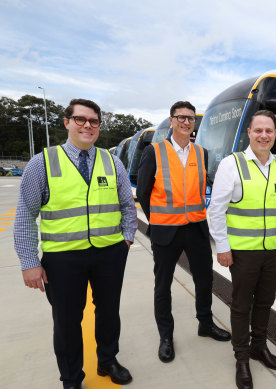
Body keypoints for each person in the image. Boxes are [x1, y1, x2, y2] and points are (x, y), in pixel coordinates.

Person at [14, 98, 137, 389]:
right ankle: (71, 377)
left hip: (109, 253)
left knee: (109, 313)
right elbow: (25, 215)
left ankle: (108, 361)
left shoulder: (111, 161)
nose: (87, 125)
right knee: (67, 322)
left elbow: (127, 205)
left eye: (93, 121)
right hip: (63, 258)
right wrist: (29, 262)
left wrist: (127, 238)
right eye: (80, 119)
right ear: (66, 122)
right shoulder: (42, 162)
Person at [136, 101, 230, 364]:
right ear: (172, 120)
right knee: (163, 285)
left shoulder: (202, 153)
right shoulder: (155, 151)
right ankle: (166, 337)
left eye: (190, 118)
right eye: (181, 118)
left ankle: (205, 323)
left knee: (204, 279)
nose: (186, 122)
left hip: (197, 228)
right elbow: (143, 192)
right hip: (166, 230)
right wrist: (157, 220)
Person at [208, 110, 276, 389]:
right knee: (242, 306)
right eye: (258, 130)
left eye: (269, 131)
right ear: (249, 133)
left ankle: (259, 347)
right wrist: (223, 247)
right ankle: (242, 358)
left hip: (272, 251)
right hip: (243, 253)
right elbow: (216, 211)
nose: (264, 135)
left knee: (265, 302)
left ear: (275, 134)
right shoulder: (232, 164)